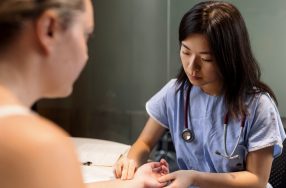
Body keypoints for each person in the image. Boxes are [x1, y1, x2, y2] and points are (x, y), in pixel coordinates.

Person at [115, 1, 286, 188]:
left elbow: (257, 180)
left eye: (206, 59)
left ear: (230, 57)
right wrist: (130, 160)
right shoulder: (176, 92)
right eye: (186, 52)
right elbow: (144, 142)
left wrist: (195, 178)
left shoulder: (259, 105)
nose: (191, 66)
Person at [0, 0, 168, 188]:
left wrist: (135, 183)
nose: (86, 55)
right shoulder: (38, 147)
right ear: (49, 29)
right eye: (86, 34)